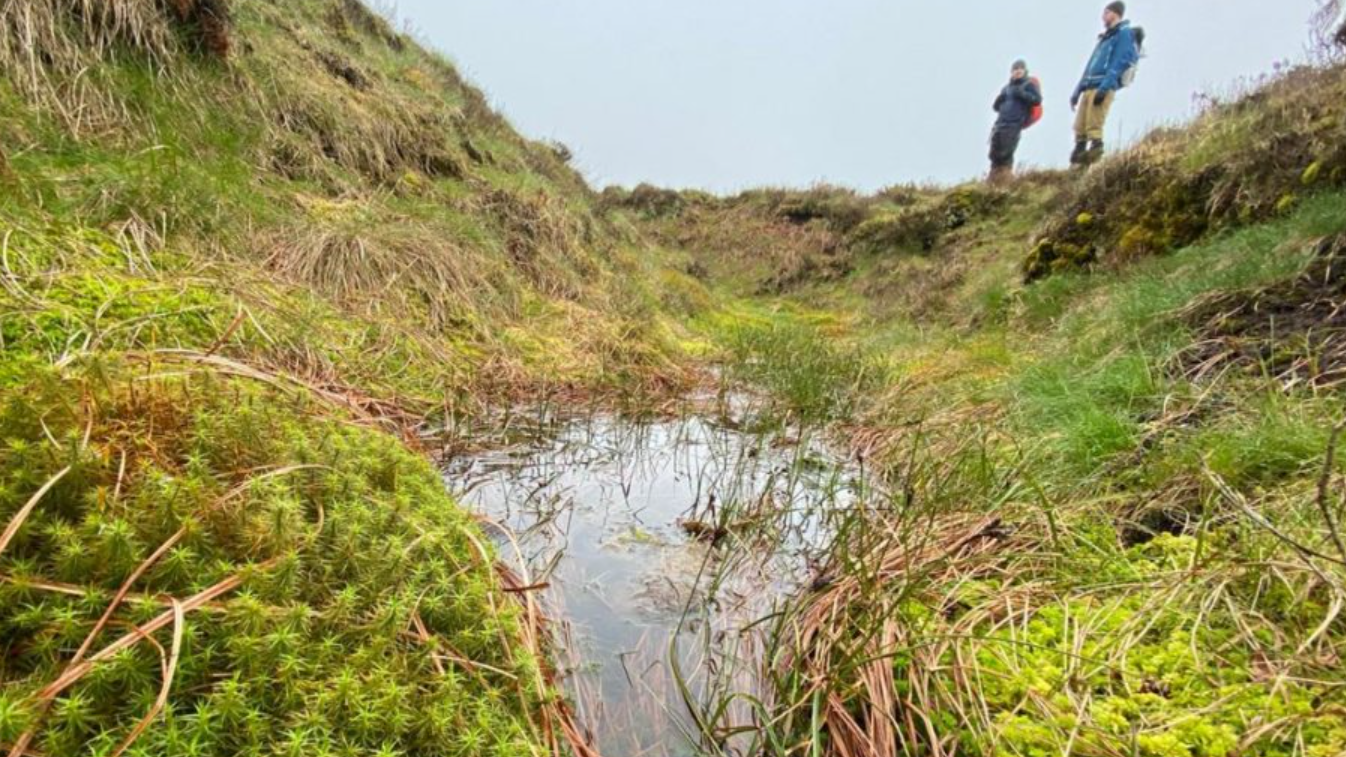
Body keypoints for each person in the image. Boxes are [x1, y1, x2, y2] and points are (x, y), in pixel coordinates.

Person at [1070, 1, 1139, 166]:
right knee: (1080, 127)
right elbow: (1090, 64)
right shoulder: (1104, 38)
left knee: (1094, 126)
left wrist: (1105, 87)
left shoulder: (1123, 33)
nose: (1103, 17)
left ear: (1114, 13)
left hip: (1102, 85)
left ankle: (1093, 161)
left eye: (1106, 12)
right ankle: (1078, 162)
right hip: (1089, 86)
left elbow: (1120, 61)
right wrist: (1077, 90)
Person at [989, 59, 1042, 184]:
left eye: (1020, 69)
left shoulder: (1028, 85)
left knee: (1006, 153)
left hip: (1014, 124)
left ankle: (1005, 180)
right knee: (994, 154)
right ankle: (993, 180)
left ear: (1025, 71)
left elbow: (1037, 100)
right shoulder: (1006, 88)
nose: (1017, 71)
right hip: (1000, 124)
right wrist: (998, 101)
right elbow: (996, 108)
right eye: (1015, 69)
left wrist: (1022, 94)